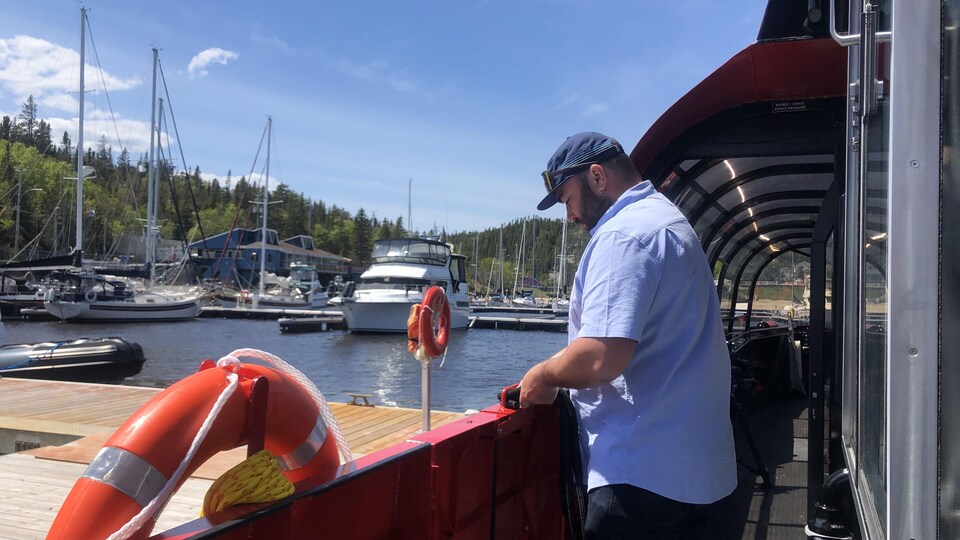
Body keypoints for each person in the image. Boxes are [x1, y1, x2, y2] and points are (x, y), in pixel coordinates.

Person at [519, 132, 736, 539]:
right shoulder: (668, 220)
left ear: (597, 177)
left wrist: (543, 376)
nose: (569, 217)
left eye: (567, 200)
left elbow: (601, 356)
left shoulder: (623, 235)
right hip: (697, 472)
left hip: (641, 479)